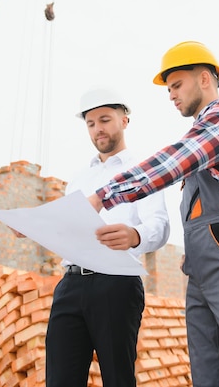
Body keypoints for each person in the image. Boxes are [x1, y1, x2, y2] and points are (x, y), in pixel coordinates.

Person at [87, 41, 219, 387]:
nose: (171, 95)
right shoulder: (204, 135)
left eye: (177, 85)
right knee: (210, 373)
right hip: (201, 271)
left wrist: (104, 195)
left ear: (206, 79)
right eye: (168, 89)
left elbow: (174, 160)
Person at [45, 88, 170, 387]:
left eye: (105, 120)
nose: (98, 128)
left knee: (117, 378)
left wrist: (135, 235)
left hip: (116, 283)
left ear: (124, 121)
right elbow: (66, 228)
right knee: (60, 379)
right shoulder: (78, 180)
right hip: (70, 285)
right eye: (90, 123)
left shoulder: (143, 171)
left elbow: (160, 224)